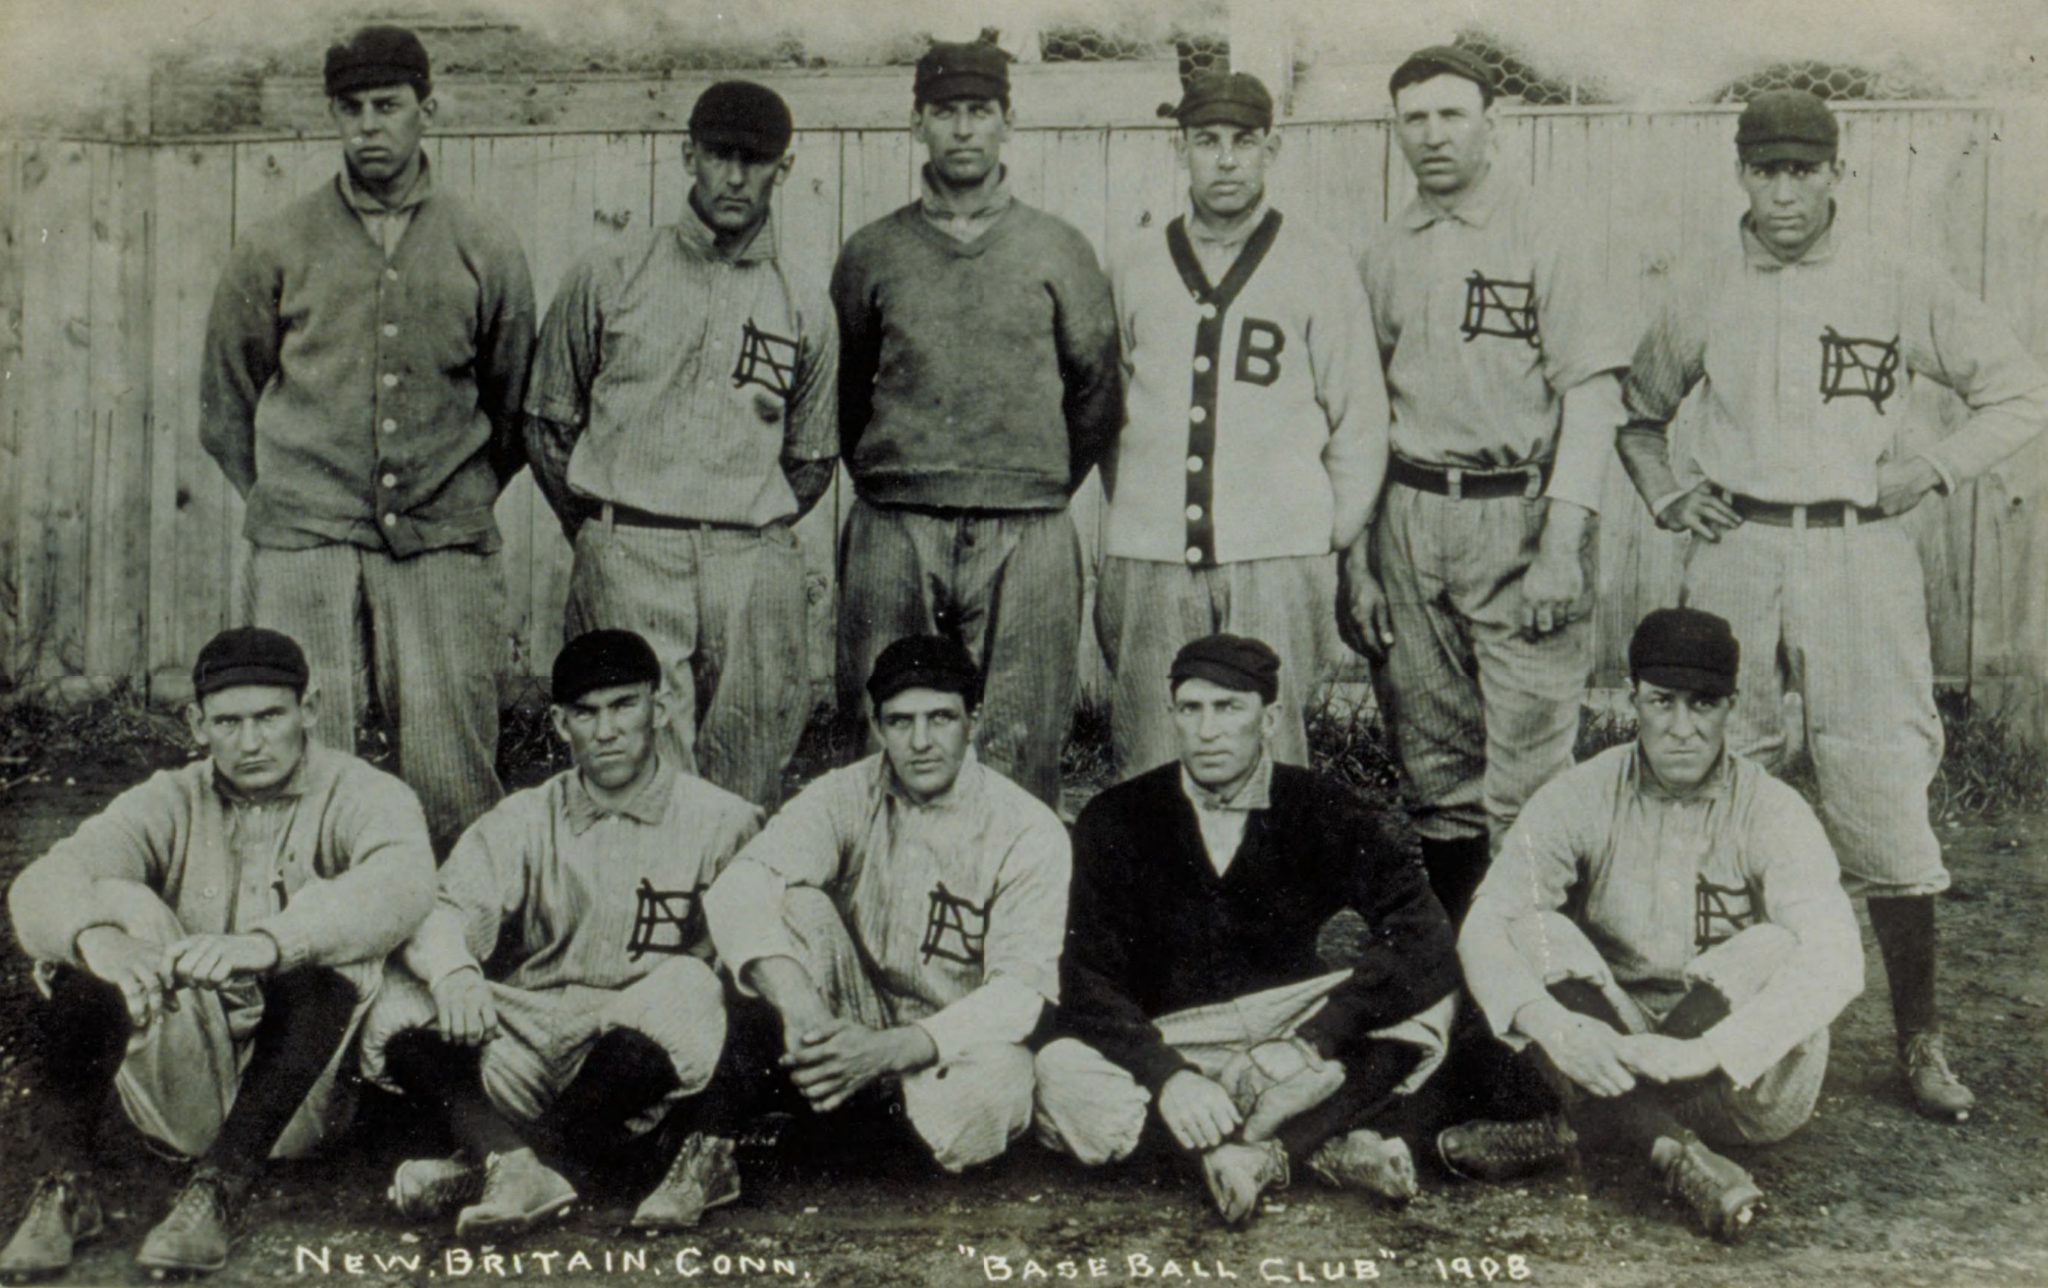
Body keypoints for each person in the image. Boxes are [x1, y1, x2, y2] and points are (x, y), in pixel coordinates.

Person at [1617, 89, 2048, 1123]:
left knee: (1879, 772)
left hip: (1858, 550)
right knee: (1724, 770)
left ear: (1832, 174)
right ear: (1741, 176)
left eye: (1801, 171)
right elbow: (1636, 415)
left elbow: (2017, 390)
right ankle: (1711, 1014)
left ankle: (1916, 1035)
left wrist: (1932, 468)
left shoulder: (1894, 277)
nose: (1782, 191)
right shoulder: (1701, 282)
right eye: (1764, 171)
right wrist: (1670, 491)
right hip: (1738, 550)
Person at [0, 628, 434, 1279]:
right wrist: (98, 937)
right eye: (228, 723)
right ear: (196, 722)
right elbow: (41, 884)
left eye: (270, 717)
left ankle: (220, 1188)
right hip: (180, 1073)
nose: (251, 742)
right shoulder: (169, 797)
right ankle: (66, 1188)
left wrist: (268, 944)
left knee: (334, 950)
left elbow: (402, 886)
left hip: (299, 1096)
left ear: (308, 710)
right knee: (92, 926)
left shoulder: (362, 792)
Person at [198, 25, 535, 853]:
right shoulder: (276, 241)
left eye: (388, 106)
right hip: (304, 541)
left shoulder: (482, 241)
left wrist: (454, 496)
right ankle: (312, 937)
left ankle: (461, 927)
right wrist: (289, 500)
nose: (368, 127)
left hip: (442, 539)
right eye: (350, 110)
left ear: (429, 109)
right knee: (303, 749)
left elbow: (515, 399)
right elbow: (225, 402)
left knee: (451, 751)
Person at [1035, 634, 1473, 1225]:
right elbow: (1086, 974)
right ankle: (1317, 1146)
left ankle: (1258, 1151)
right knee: (1060, 1074)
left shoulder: (1320, 806)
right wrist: (1170, 1079)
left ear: (1268, 719)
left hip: (1283, 1037)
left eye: (1229, 708)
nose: (1207, 730)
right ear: (1173, 717)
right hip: (1176, 1033)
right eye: (1191, 709)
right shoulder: (1117, 816)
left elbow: (1418, 927)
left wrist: (1316, 1036)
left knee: (1433, 998)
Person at [1457, 608, 1864, 1242]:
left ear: (1732, 705)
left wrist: (1701, 1051)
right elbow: (1489, 920)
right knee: (1531, 922)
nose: (1681, 728)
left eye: (1703, 705)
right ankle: (1676, 1155)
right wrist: (1554, 1026)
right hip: (1611, 1045)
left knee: (1776, 943)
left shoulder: (1774, 809)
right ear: (1632, 700)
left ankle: (1577, 1131)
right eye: (1662, 702)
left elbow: (1838, 956)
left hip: (1738, 1080)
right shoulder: (1581, 792)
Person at [1345, 45, 1633, 921]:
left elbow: (1591, 397)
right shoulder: (1385, 250)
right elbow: (1356, 418)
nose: (1432, 135)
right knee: (1434, 767)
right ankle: (1467, 990)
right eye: (1414, 119)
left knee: (1529, 776)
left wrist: (1562, 543)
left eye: (1451, 114)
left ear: (1491, 123)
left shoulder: (1550, 233)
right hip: (1407, 514)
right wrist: (1355, 560)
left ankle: (1539, 990)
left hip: (1517, 513)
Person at [360, 630, 763, 1235]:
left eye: (625, 705)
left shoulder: (721, 818)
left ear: (661, 707)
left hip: (632, 1049)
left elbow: (750, 959)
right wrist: (457, 972)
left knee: (688, 982)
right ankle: (520, 1160)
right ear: (559, 723)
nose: (606, 731)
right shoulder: (527, 815)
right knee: (396, 986)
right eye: (585, 712)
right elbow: (443, 909)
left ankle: (499, 1164)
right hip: (524, 1034)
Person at [525, 82, 837, 808]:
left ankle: (725, 917)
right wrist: (600, 532)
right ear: (686, 154)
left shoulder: (801, 298)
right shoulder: (612, 272)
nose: (735, 178)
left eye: (755, 161)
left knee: (746, 775)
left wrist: (746, 527)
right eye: (720, 157)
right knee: (635, 769)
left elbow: (814, 456)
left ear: (782, 169)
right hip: (630, 549)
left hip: (749, 562)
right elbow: (547, 419)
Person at [830, 40, 1122, 806]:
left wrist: (1036, 476)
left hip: (1026, 523)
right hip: (897, 519)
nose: (963, 130)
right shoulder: (872, 251)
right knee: (886, 726)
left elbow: (1095, 389)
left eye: (979, 112)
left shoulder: (1057, 247)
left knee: (1022, 734)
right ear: (918, 124)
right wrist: (897, 470)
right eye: (945, 112)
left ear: (1007, 123)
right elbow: (847, 387)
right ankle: (884, 905)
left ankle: (1009, 915)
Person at [1096, 73, 1386, 779]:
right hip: (1152, 554)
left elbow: (1359, 416)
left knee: (1269, 756)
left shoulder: (1318, 261)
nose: (1225, 160)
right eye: (1206, 142)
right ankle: (1165, 893)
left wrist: (1324, 535)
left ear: (1270, 149)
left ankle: (1273, 891)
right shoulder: (1134, 262)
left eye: (1243, 142)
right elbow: (1111, 413)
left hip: (1278, 558)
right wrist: (1141, 509)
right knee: (1153, 748)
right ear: (1181, 150)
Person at [701, 634, 1071, 1174]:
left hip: (951, 1042)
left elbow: (1019, 996)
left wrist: (891, 1051)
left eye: (940, 718)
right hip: (853, 1016)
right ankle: (855, 1124)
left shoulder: (1027, 827)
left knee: (995, 1093)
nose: (920, 741)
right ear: (877, 727)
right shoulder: (847, 792)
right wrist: (803, 1008)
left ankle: (829, 1134)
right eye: (900, 722)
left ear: (975, 719)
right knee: (792, 903)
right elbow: (739, 884)